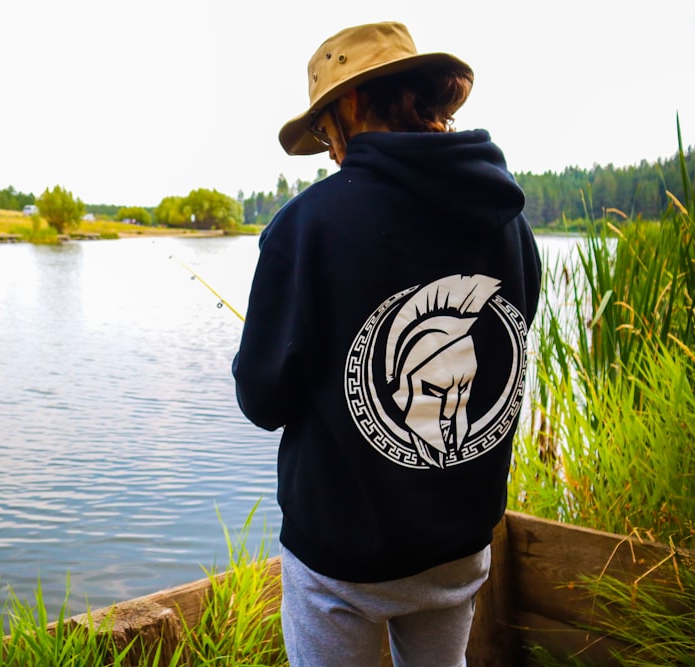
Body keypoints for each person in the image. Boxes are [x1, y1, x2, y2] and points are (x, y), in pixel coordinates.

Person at [232, 21, 542, 667]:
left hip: (344, 549)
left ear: (349, 104)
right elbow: (504, 349)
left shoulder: (310, 222)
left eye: (324, 130)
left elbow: (263, 399)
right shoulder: (509, 219)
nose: (327, 150)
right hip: (461, 538)